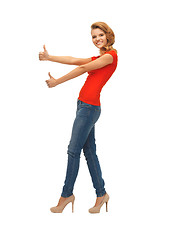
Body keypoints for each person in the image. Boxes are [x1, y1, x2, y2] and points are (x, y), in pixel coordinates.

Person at [39, 22, 118, 213]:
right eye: (94, 36)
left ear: (108, 35)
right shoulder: (100, 56)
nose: (97, 39)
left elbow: (83, 68)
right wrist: (50, 57)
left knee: (73, 151)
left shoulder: (110, 56)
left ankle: (66, 195)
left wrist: (57, 82)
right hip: (83, 106)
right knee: (89, 152)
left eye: (100, 35)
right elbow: (75, 60)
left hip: (89, 109)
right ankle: (102, 195)